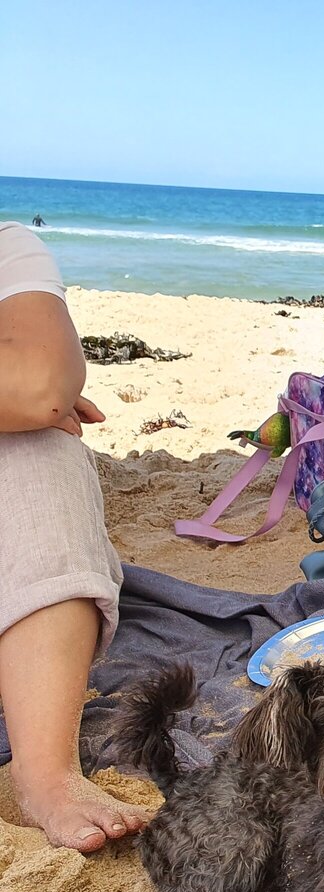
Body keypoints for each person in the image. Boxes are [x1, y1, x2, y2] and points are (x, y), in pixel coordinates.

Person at [0, 220, 142, 851]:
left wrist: (24, 407)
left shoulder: (9, 246)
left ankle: (46, 775)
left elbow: (38, 389)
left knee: (42, 455)